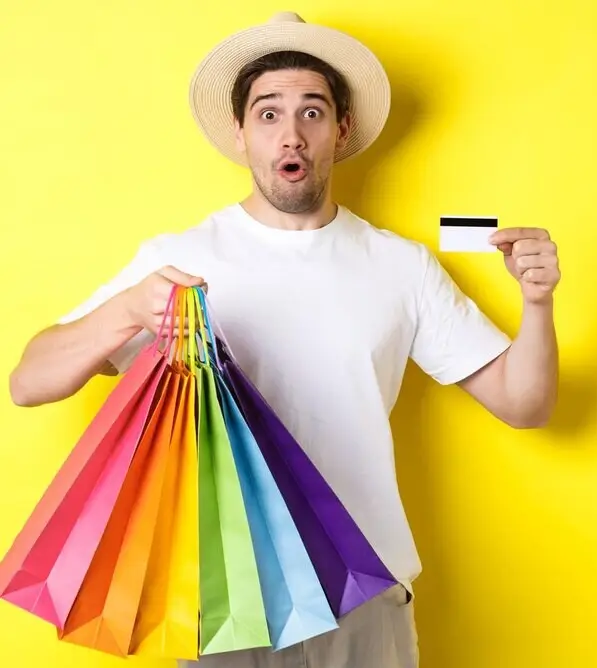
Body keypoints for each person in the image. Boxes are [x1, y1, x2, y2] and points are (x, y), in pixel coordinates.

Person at [5, 11, 560, 667]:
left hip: (364, 602)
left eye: (312, 112)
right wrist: (128, 309)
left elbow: (524, 405)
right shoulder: (177, 256)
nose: (290, 134)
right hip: (225, 604)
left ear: (341, 131)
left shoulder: (400, 266)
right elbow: (27, 381)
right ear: (240, 133)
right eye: (268, 114)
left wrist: (538, 303)